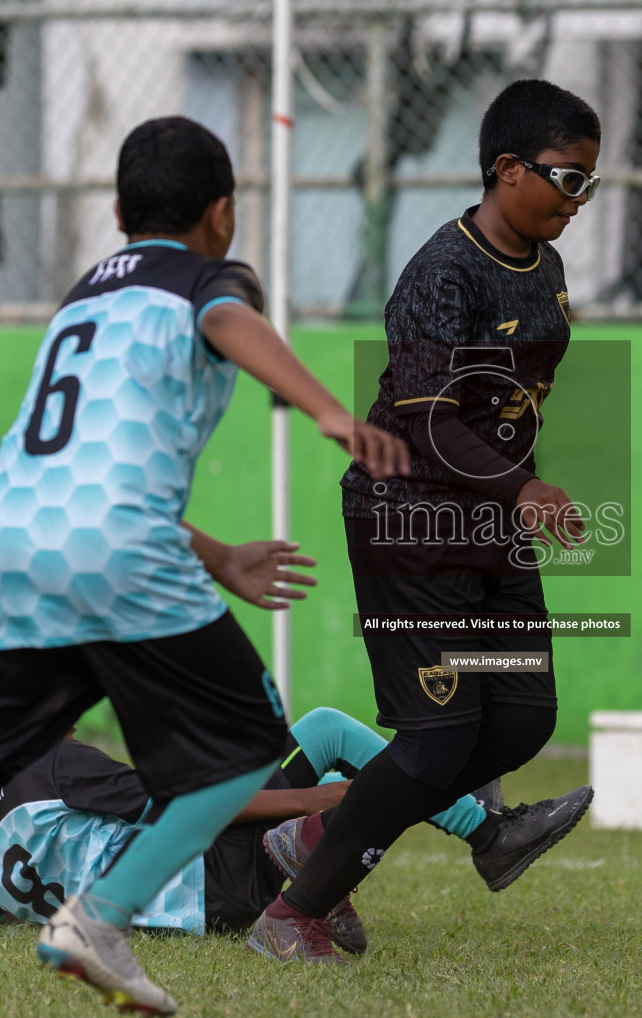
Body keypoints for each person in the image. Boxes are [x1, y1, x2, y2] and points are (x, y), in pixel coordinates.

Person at [0, 117, 409, 1018]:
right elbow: (223, 318)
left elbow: (84, 480)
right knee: (246, 751)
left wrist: (217, 555)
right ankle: (97, 921)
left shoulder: (78, 301)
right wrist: (330, 415)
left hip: (6, 547)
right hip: (119, 551)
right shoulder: (213, 277)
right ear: (223, 212)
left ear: (115, 212)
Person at [246, 79, 600, 965]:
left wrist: (524, 493)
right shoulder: (441, 271)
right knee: (438, 737)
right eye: (567, 179)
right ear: (507, 169)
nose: (579, 200)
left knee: (523, 716)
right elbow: (431, 418)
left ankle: (323, 838)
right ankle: (293, 917)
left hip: (492, 522)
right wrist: (520, 490)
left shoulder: (546, 268)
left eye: (591, 183)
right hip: (411, 519)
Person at [0, 706, 593, 950]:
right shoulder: (58, 761)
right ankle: (487, 835)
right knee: (326, 735)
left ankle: (330, 879)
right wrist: (317, 797)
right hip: (224, 874)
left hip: (206, 907)